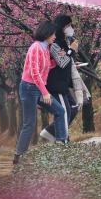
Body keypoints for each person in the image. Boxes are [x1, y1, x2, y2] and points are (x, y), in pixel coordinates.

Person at [14, 20, 68, 165]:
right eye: (53, 34)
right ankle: (19, 156)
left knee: (60, 111)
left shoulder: (45, 48)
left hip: (38, 88)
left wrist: (57, 60)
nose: (55, 37)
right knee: (30, 123)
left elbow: (46, 66)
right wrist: (45, 93)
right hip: (29, 88)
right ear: (46, 34)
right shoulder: (35, 47)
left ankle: (61, 144)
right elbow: (35, 72)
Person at [40, 15, 78, 143]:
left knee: (73, 107)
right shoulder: (55, 44)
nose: (70, 28)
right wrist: (71, 51)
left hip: (63, 83)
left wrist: (70, 53)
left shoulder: (63, 42)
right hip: (56, 84)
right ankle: (63, 140)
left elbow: (64, 60)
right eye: (68, 26)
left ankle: (51, 132)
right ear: (61, 27)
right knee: (64, 111)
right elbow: (62, 62)